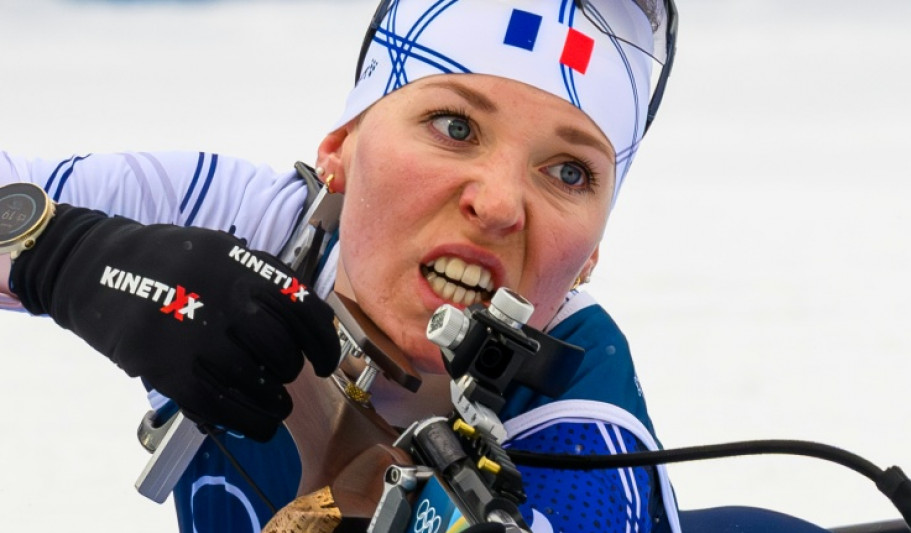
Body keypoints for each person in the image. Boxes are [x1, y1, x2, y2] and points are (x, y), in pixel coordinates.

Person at [0, 1, 831, 532]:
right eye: (455, 126)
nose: (501, 203)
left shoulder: (580, 407)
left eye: (569, 170)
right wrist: (64, 253)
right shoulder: (238, 222)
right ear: (342, 145)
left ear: (593, 252)